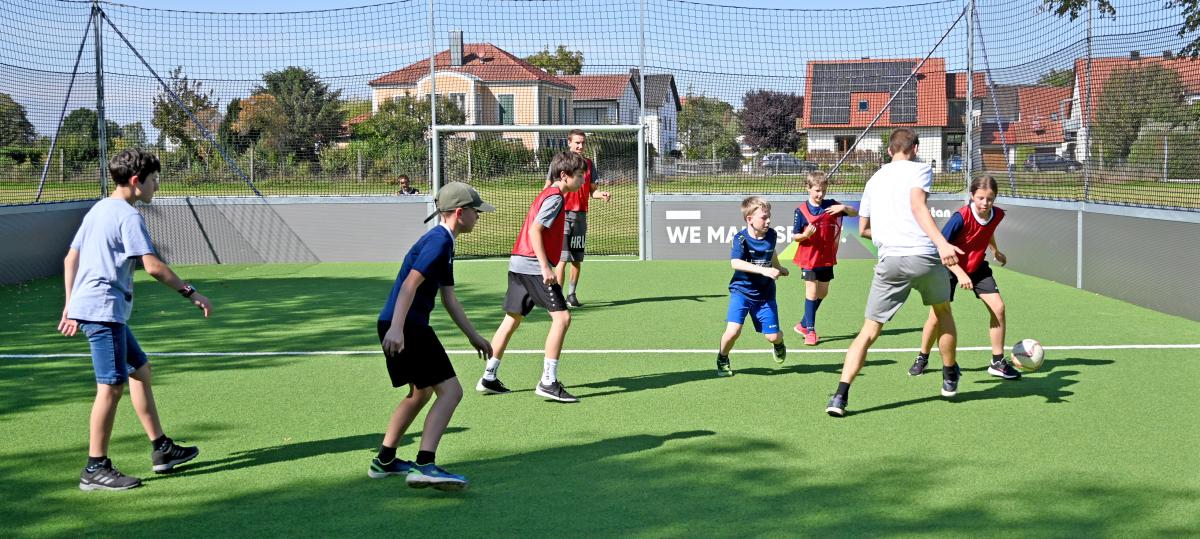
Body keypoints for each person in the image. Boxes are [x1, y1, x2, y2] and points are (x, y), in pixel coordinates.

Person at [58, 148, 212, 491]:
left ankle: (162, 448)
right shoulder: (128, 216)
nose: (157, 185)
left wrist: (70, 304)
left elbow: (70, 259)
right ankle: (94, 467)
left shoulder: (99, 208)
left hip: (97, 307)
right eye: (153, 179)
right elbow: (152, 266)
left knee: (140, 370)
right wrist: (191, 292)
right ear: (135, 181)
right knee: (111, 386)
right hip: (103, 311)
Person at [825, 128, 964, 417]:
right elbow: (917, 206)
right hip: (924, 255)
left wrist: (888, 235)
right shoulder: (920, 169)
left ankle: (839, 396)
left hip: (890, 260)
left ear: (889, 151)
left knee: (868, 331)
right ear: (916, 148)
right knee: (943, 312)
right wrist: (942, 243)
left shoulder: (874, 179)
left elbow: (864, 229)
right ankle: (949, 375)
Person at [370, 182, 495, 491]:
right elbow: (410, 284)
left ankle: (384, 460)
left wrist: (473, 336)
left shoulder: (445, 243)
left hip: (400, 323)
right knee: (451, 392)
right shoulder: (438, 242)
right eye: (476, 211)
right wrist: (398, 328)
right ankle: (425, 465)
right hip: (407, 326)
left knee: (420, 392)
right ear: (459, 213)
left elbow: (449, 298)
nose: (479, 216)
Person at [478, 151, 587, 402]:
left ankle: (489, 376)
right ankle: (548, 381)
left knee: (512, 319)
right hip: (532, 266)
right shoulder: (555, 198)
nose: (583, 180)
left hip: (518, 263)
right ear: (564, 175)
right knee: (562, 318)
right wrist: (545, 267)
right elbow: (536, 230)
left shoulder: (548, 193)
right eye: (580, 175)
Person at [909, 175, 1022, 380]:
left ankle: (997, 361)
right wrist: (959, 273)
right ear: (972, 196)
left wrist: (995, 250)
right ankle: (922, 357)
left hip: (977, 267)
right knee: (936, 317)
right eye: (980, 198)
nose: (985, 203)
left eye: (990, 199)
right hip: (948, 267)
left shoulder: (997, 214)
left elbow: (988, 230)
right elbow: (941, 247)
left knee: (999, 308)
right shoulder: (960, 217)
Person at [715, 196, 790, 377]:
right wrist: (764, 270)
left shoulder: (771, 235)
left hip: (765, 294)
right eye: (764, 217)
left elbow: (771, 252)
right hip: (741, 291)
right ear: (749, 219)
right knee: (733, 331)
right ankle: (722, 358)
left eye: (769, 216)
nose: (768, 220)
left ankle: (779, 344)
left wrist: (778, 267)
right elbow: (735, 263)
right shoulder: (740, 239)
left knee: (773, 336)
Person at [543, 129, 611, 308]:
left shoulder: (589, 164)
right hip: (562, 215)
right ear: (569, 143)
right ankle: (557, 297)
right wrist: (543, 204)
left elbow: (593, 191)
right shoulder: (559, 162)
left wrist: (601, 195)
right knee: (562, 258)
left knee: (576, 259)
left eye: (583, 143)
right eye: (577, 142)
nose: (580, 146)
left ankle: (571, 295)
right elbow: (548, 186)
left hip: (580, 217)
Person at [791, 171, 857, 346]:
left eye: (824, 191)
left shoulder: (832, 205)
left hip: (826, 257)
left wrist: (843, 208)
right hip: (808, 258)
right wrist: (805, 235)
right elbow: (795, 236)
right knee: (811, 291)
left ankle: (803, 323)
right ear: (808, 188)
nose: (821, 194)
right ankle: (810, 331)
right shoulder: (801, 211)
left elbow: (854, 213)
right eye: (817, 191)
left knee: (823, 292)